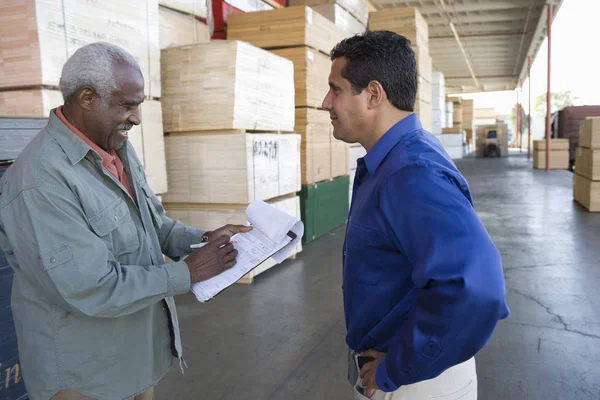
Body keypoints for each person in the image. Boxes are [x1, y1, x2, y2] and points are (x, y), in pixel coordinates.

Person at [0, 42, 251, 400]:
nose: (136, 118)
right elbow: (92, 287)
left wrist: (205, 239)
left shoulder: (115, 148)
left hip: (132, 358)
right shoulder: (40, 182)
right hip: (85, 376)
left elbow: (153, 224)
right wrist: (189, 272)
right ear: (87, 98)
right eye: (128, 105)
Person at [321, 31, 510, 400]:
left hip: (415, 383)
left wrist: (397, 366)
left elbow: (478, 288)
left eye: (336, 89)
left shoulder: (411, 173)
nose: (325, 103)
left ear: (373, 94)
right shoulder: (394, 161)